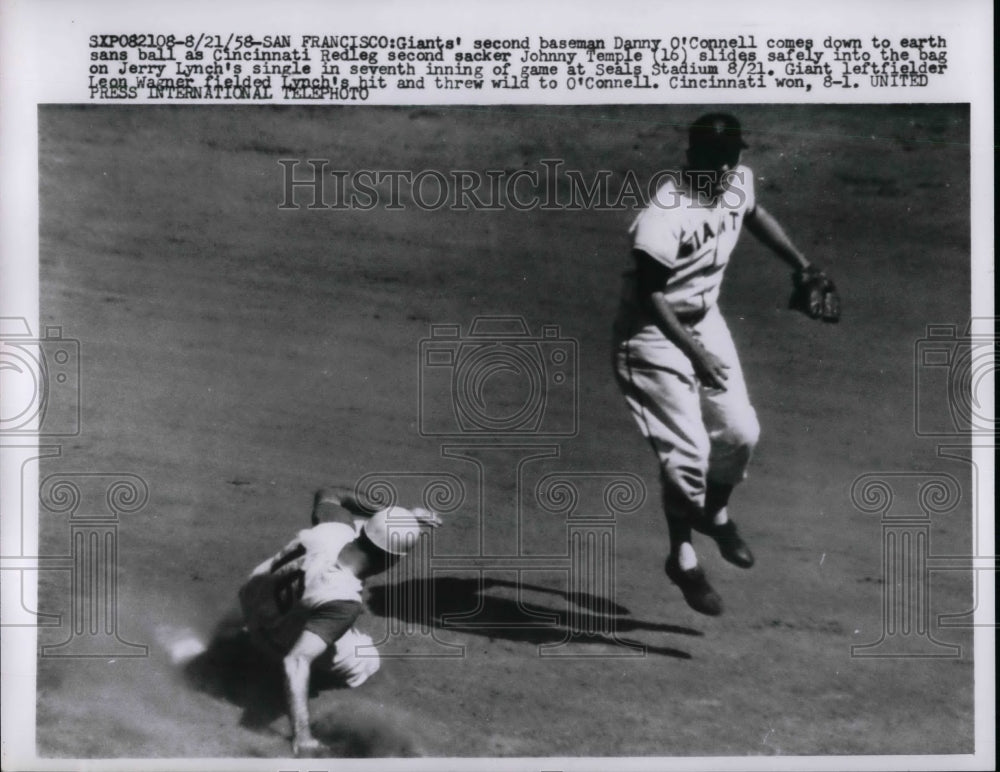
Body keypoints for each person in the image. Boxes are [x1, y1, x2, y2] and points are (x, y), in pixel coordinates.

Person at [613, 113, 819, 616]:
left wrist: (803, 265)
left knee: (741, 433)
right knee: (687, 457)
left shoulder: (736, 181)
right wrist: (693, 352)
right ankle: (683, 559)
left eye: (733, 158)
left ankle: (718, 515)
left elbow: (754, 214)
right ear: (693, 155)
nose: (727, 168)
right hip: (652, 336)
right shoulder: (665, 213)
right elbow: (649, 293)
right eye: (717, 159)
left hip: (705, 323)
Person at [237, 487, 442, 756]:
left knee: (314, 608)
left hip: (251, 598)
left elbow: (330, 493)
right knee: (365, 658)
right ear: (393, 560)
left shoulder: (335, 527)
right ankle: (265, 663)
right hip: (271, 636)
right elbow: (295, 661)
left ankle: (248, 633)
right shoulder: (344, 601)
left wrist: (395, 517)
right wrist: (303, 735)